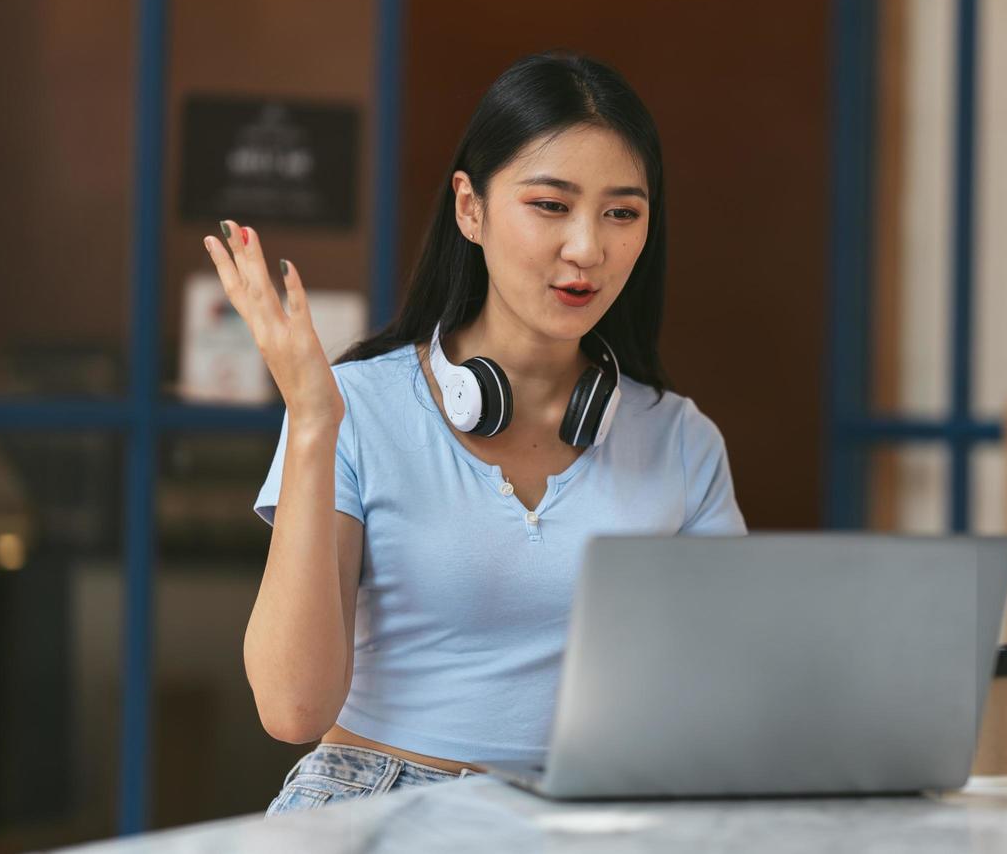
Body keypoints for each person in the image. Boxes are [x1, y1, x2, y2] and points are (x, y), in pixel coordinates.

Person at [201, 51, 748, 816]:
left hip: (589, 819)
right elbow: (293, 709)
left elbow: (730, 699)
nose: (587, 248)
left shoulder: (680, 441)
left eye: (622, 212)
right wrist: (313, 424)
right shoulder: (356, 407)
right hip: (377, 806)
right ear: (471, 207)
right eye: (551, 205)